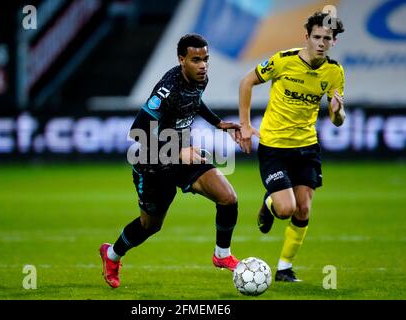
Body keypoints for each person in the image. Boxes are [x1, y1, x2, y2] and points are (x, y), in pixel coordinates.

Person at [100, 33, 242, 288]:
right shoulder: (167, 90)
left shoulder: (200, 79)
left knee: (228, 197)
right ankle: (111, 255)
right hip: (152, 164)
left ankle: (222, 255)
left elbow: (195, 102)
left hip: (183, 158)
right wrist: (177, 152)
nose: (203, 65)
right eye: (196, 59)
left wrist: (218, 123)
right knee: (149, 225)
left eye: (206, 59)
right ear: (181, 60)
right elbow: (138, 131)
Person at [238, 12, 345, 282]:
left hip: (307, 147)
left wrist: (338, 113)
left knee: (303, 209)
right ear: (306, 37)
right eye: (317, 37)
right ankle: (269, 202)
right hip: (274, 146)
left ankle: (284, 268)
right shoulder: (283, 60)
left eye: (327, 39)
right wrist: (245, 125)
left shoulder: (334, 72)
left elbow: (337, 120)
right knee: (285, 209)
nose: (321, 43)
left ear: (334, 42)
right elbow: (246, 81)